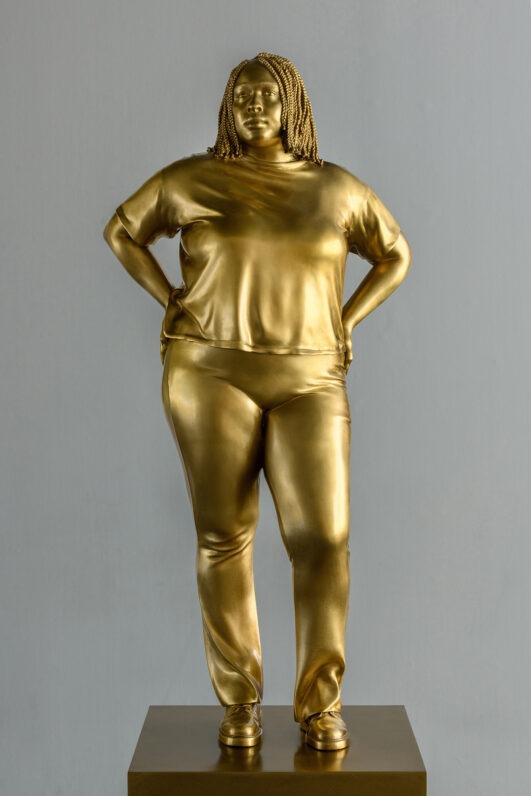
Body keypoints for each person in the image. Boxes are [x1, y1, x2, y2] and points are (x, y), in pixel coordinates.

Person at [104, 52, 411, 751]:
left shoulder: (334, 189)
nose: (253, 105)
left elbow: (395, 254)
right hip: (210, 371)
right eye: (241, 95)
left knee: (323, 539)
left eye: (267, 94)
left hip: (311, 377)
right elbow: (121, 230)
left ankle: (320, 704)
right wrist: (168, 298)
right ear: (225, 107)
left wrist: (346, 321)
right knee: (223, 535)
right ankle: (239, 702)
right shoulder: (191, 179)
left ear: (292, 104)